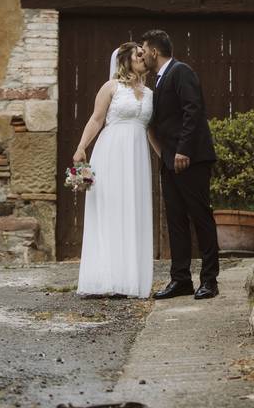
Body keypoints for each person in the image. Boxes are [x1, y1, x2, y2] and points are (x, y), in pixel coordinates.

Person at [141, 29, 219, 300]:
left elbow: (193, 110)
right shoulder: (160, 81)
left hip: (191, 159)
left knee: (201, 217)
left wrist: (183, 150)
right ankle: (181, 279)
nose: (142, 55)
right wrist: (165, 155)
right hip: (170, 161)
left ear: (154, 51)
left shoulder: (181, 71)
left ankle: (210, 280)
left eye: (144, 50)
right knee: (175, 221)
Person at [73, 42, 156, 298]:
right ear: (125, 60)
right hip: (110, 153)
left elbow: (151, 130)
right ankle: (103, 279)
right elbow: (96, 119)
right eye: (138, 55)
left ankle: (129, 280)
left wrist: (165, 156)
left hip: (137, 156)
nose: (143, 58)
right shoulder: (111, 87)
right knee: (110, 211)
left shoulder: (151, 93)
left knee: (133, 211)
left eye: (144, 54)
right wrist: (81, 148)